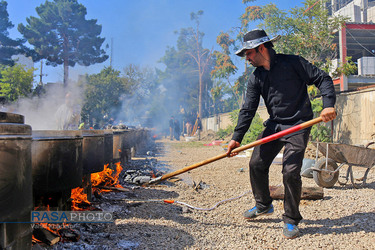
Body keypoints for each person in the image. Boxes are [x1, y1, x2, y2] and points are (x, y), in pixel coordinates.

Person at [226, 29, 336, 239]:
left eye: (248, 53)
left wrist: (328, 105)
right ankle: (263, 205)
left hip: (299, 124)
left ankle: (292, 219)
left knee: (290, 171)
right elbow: (248, 110)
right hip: (275, 125)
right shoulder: (256, 78)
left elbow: (323, 79)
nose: (246, 58)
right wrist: (236, 138)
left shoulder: (293, 63)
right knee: (256, 163)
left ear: (261, 48)